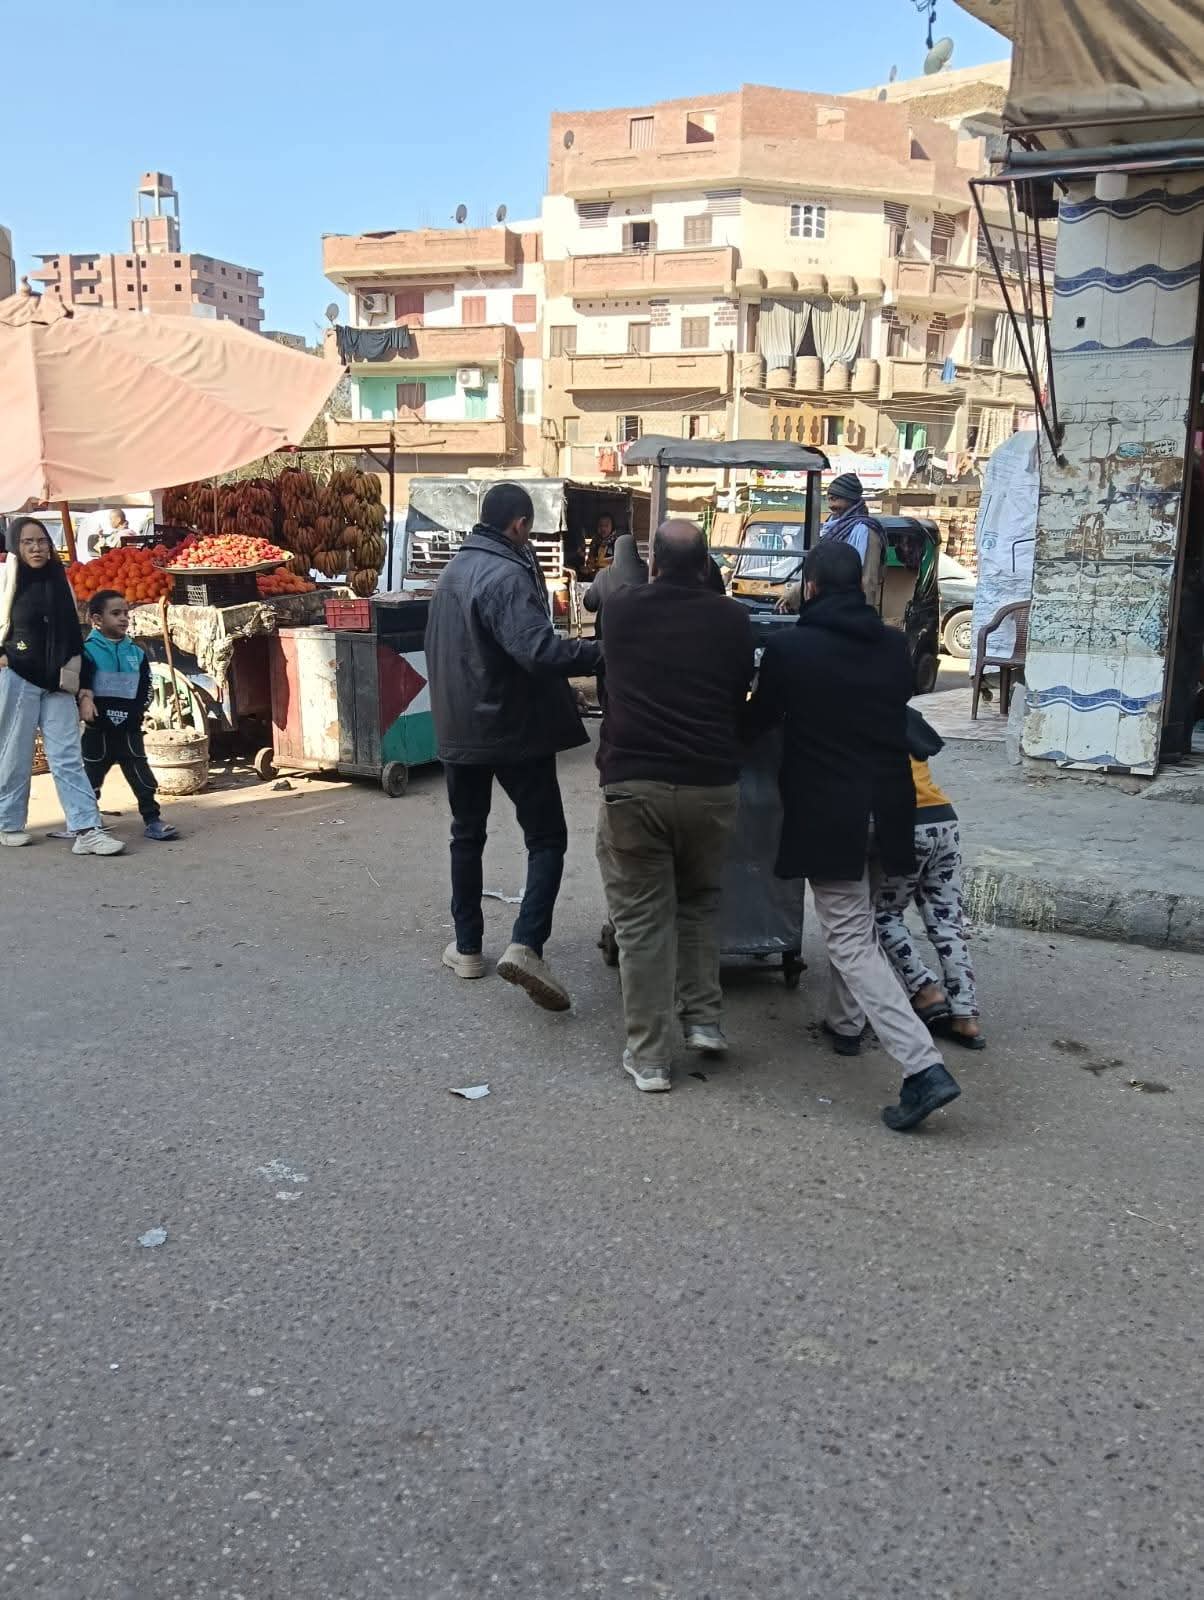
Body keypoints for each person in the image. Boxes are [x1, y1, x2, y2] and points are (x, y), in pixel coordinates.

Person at [745, 539, 960, 1131]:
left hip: (829, 812)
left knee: (847, 939)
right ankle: (845, 1024)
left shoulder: (791, 648)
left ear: (810, 587)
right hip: (888, 806)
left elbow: (760, 718)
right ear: (860, 587)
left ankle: (922, 1066)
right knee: (861, 923)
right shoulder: (892, 645)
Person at [427, 482, 601, 1011]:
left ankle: (467, 948)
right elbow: (539, 650)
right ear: (520, 524)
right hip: (512, 728)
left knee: (466, 836)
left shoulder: (452, 572)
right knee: (546, 838)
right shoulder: (506, 575)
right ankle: (526, 944)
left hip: (459, 729)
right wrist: (602, 652)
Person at [595, 519, 755, 1093]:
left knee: (641, 922)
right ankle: (704, 1019)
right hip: (711, 786)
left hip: (634, 786)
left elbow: (614, 593)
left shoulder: (621, 611)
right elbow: (739, 692)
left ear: (655, 564)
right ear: (708, 565)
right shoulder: (734, 619)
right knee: (699, 902)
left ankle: (651, 1058)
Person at [0, 518, 124, 855]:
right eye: (27, 542)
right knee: (14, 754)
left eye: (42, 541)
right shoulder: (6, 580)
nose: (36, 548)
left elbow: (72, 633)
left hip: (58, 681)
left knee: (68, 756)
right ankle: (8, 823)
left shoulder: (59, 579)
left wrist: (83, 686)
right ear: (15, 546)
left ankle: (87, 829)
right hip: (19, 678)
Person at [874, 711, 984, 1050]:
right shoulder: (905, 716)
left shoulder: (867, 719)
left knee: (883, 915)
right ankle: (966, 1016)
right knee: (947, 922)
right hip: (944, 821)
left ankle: (925, 989)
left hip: (907, 825)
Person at [81, 591, 179, 842]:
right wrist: (86, 707)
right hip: (98, 729)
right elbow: (82, 685)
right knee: (90, 776)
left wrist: (137, 712)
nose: (124, 618)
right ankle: (87, 823)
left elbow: (146, 688)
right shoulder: (87, 651)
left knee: (141, 776)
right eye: (116, 614)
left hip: (130, 728)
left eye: (126, 613)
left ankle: (153, 820)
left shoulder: (136, 652)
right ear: (97, 619)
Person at [776, 473, 884, 612]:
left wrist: (862, 618)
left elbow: (868, 581)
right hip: (825, 607)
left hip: (847, 612)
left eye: (835, 498)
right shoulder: (832, 527)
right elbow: (820, 572)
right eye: (829, 499)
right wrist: (794, 593)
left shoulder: (866, 532)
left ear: (850, 499)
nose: (831, 505)